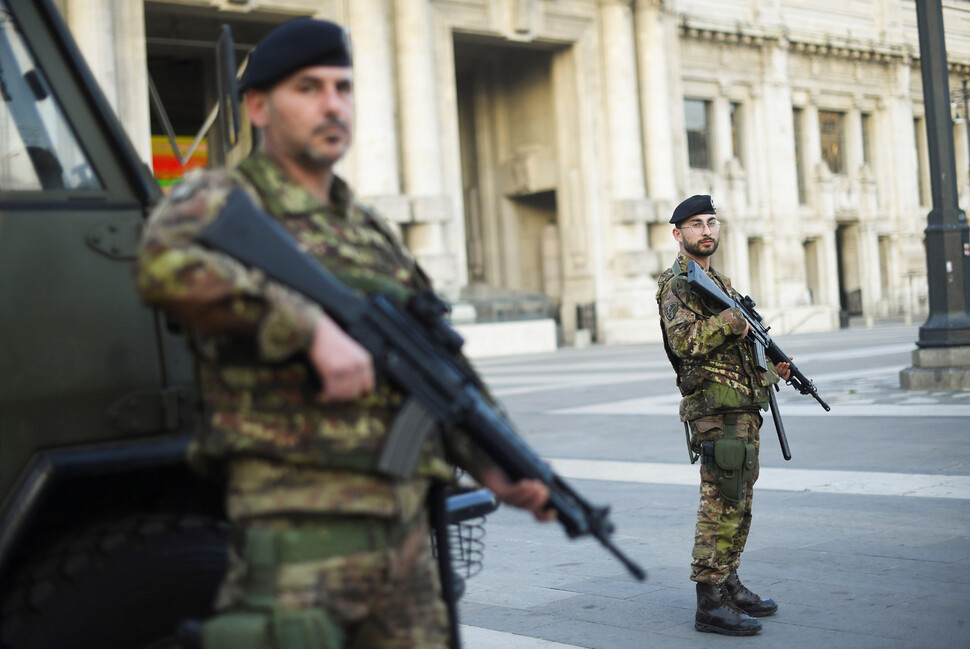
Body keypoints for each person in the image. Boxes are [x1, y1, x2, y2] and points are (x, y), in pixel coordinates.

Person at [136, 18, 551, 649]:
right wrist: (304, 327)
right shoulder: (221, 198)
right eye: (308, 87)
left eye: (343, 87)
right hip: (297, 537)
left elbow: (436, 368)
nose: (332, 103)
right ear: (257, 106)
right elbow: (164, 265)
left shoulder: (371, 231)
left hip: (405, 542)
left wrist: (498, 463)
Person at [655, 195, 791, 637]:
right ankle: (709, 602)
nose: (707, 231)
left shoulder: (721, 282)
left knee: (739, 502)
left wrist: (771, 371)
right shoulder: (678, 284)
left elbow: (737, 354)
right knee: (720, 504)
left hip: (740, 407)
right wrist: (733, 320)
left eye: (712, 222)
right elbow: (685, 344)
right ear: (679, 234)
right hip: (714, 410)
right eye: (696, 224)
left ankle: (728, 581)